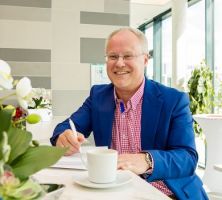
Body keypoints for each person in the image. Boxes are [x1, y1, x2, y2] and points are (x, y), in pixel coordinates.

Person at [50, 27, 208, 200]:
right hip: (115, 191)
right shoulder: (98, 96)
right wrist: (62, 137)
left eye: (127, 56)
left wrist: (147, 160)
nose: (119, 63)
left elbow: (187, 157)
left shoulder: (173, 100)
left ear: (145, 60)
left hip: (166, 192)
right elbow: (67, 127)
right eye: (113, 56)